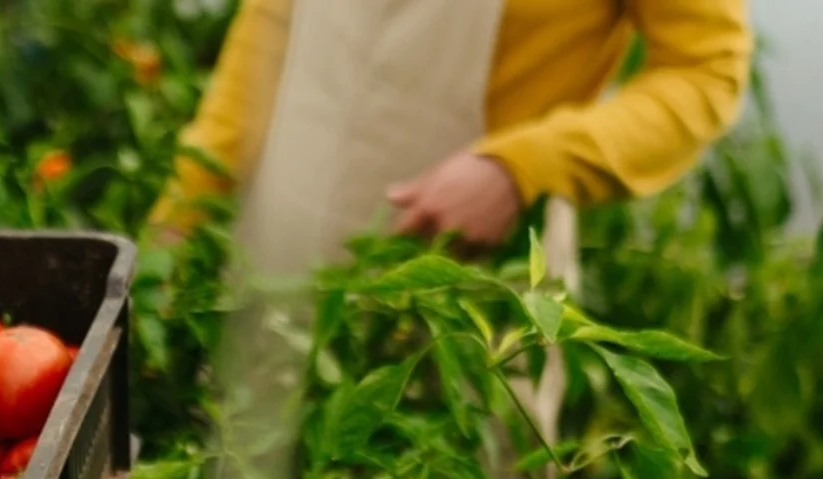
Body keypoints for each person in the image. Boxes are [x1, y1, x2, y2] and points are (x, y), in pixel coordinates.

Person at [148, 0, 752, 278]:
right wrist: (180, 214)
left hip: (467, 291)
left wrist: (521, 168)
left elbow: (705, 73)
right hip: (274, 256)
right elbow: (272, 27)